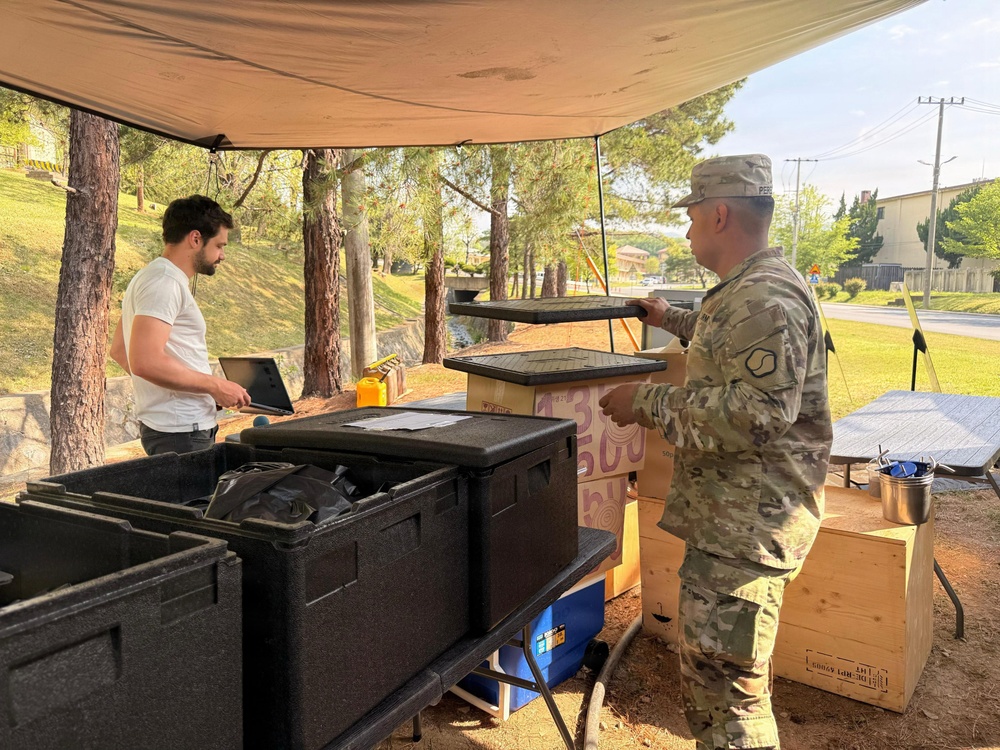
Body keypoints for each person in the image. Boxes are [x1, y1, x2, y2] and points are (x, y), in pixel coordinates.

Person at [598, 154, 832, 750]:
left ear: (720, 214)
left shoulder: (763, 299)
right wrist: (670, 318)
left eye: (693, 216)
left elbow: (756, 415)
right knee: (720, 679)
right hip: (735, 523)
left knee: (730, 700)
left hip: (745, 530)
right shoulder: (749, 292)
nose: (687, 229)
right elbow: (725, 340)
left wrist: (646, 403)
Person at [110, 195, 251, 455]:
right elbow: (146, 362)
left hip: (175, 428)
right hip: (182, 433)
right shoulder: (165, 283)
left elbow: (120, 350)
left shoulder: (149, 277)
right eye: (220, 245)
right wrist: (214, 386)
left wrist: (192, 390)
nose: (222, 255)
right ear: (195, 239)